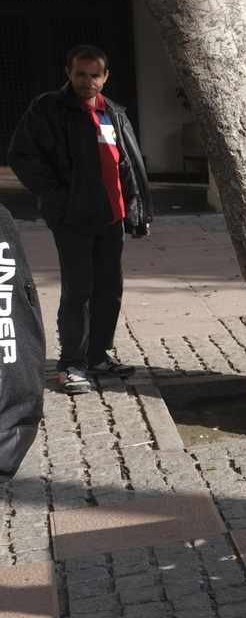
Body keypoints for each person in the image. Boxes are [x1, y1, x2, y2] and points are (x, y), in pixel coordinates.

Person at [6, 45, 151, 395]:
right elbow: (22, 157)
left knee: (109, 290)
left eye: (95, 75)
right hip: (72, 219)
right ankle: (71, 364)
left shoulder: (113, 112)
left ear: (105, 76)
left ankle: (98, 354)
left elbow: (127, 165)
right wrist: (64, 196)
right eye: (81, 73)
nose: (88, 81)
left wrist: (138, 211)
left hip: (111, 219)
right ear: (69, 73)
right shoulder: (47, 109)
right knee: (79, 291)